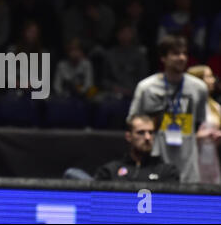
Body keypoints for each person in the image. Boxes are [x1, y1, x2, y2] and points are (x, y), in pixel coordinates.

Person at [127, 35, 208, 183]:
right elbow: (132, 121)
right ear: (163, 58)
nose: (182, 58)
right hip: (155, 161)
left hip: (188, 165)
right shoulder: (146, 88)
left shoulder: (199, 88)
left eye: (184, 53)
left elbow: (198, 123)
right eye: (176, 53)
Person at [94, 114, 179, 182]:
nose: (147, 137)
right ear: (129, 136)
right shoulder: (110, 172)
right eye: (141, 132)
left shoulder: (167, 172)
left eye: (151, 132)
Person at [187, 65, 221, 184]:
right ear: (197, 80)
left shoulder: (216, 107)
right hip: (192, 158)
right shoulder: (187, 105)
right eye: (208, 77)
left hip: (213, 158)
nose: (213, 80)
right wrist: (199, 136)